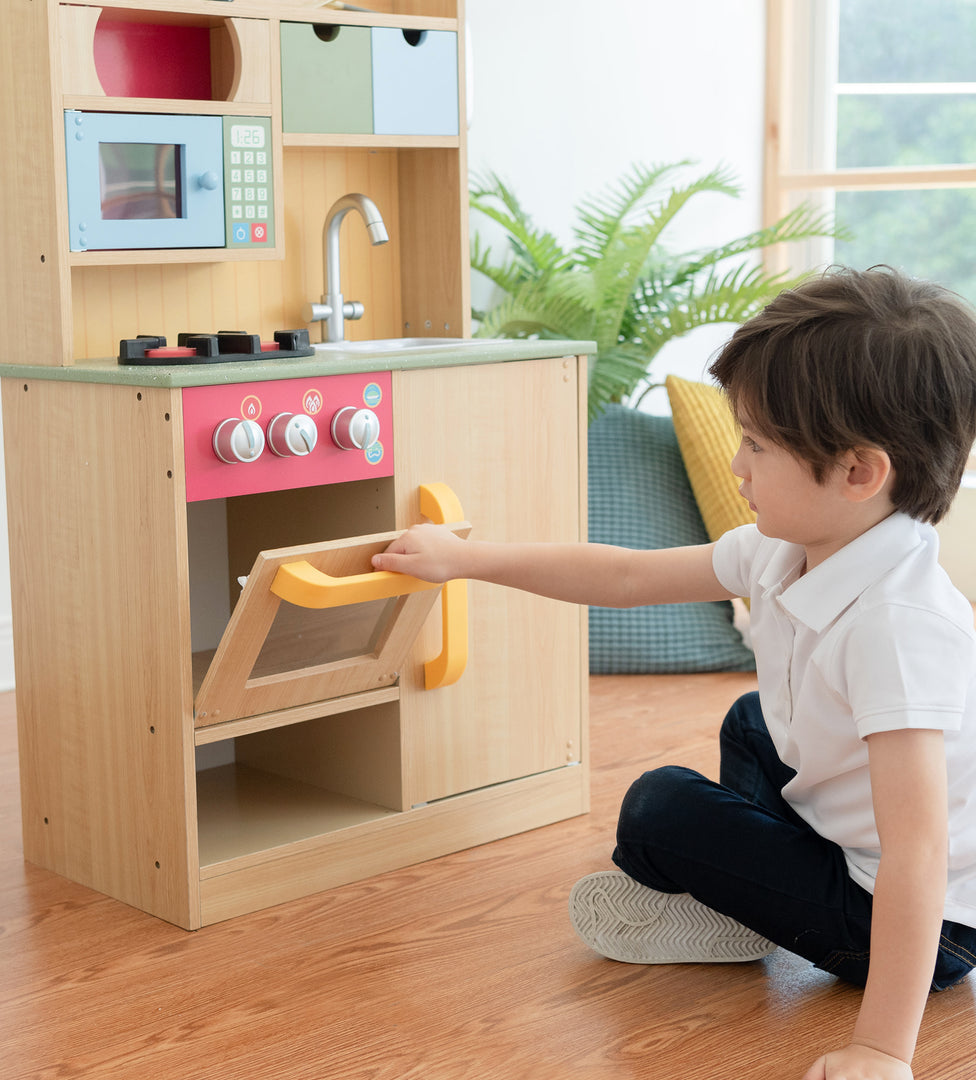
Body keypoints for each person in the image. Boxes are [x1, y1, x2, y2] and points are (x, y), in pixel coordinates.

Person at [371, 266, 976, 1080]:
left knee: (659, 807)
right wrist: (466, 559)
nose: (736, 466)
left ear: (859, 472)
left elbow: (919, 850)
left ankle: (752, 912)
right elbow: (623, 578)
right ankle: (758, 901)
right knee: (750, 724)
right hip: (852, 839)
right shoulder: (787, 548)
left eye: (758, 446)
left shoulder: (898, 629)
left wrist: (880, 1049)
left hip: (922, 924)